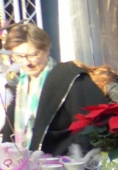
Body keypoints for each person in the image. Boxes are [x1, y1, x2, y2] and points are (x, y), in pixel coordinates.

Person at [1, 23, 107, 155]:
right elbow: (9, 130)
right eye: (19, 56)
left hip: (60, 161)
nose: (26, 62)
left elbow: (89, 128)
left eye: (33, 55)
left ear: (46, 50)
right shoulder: (15, 84)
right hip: (21, 161)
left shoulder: (68, 77)